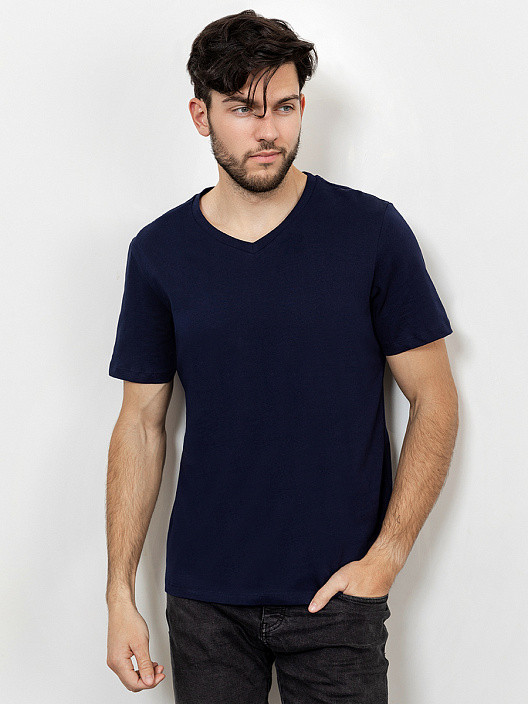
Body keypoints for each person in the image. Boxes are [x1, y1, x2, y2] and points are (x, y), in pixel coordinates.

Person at [105, 9, 458, 704]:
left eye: (285, 106)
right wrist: (119, 592)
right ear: (202, 115)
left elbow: (435, 397)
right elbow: (140, 424)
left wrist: (386, 558)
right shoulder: (160, 252)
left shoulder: (370, 232)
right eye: (243, 109)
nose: (267, 131)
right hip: (205, 604)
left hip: (339, 598)